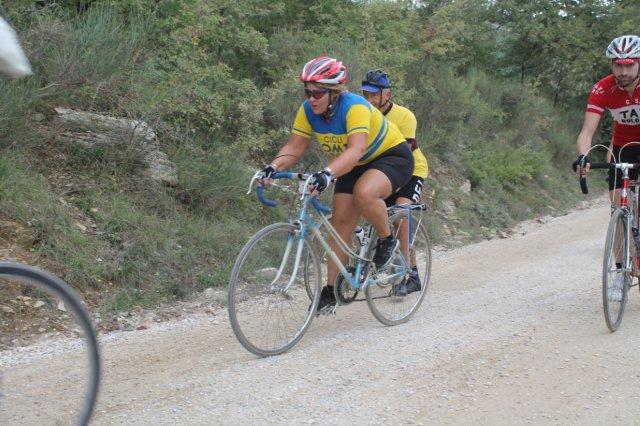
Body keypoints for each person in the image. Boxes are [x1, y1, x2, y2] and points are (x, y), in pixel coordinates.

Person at [256, 56, 414, 312]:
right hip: (354, 162)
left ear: (335, 92)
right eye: (308, 92)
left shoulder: (355, 107)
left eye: (318, 93)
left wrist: (327, 173)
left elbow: (355, 149)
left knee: (364, 193)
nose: (312, 98)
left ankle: (387, 240)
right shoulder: (308, 110)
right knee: (340, 223)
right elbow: (295, 147)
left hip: (390, 156)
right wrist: (272, 167)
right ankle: (331, 291)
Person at [574, 34, 640, 301]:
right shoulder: (603, 88)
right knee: (618, 206)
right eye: (618, 65)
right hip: (623, 147)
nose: (623, 72)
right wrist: (583, 158)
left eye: (629, 65)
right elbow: (586, 132)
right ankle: (621, 272)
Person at [361, 69, 429, 296]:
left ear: (387, 94)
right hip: (380, 170)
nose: (369, 99)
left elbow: (404, 155)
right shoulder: (362, 114)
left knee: (401, 213)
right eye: (365, 94)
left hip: (411, 170)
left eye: (374, 95)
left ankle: (412, 275)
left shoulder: (405, 116)